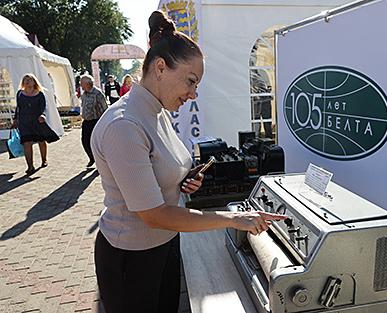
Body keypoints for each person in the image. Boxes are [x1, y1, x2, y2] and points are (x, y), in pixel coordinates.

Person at [91, 10, 286, 313]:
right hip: (131, 257)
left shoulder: (157, 111)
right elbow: (153, 214)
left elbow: (160, 168)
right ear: (160, 68)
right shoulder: (125, 126)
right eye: (191, 81)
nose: (193, 94)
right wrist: (233, 220)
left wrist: (184, 177)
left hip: (165, 244)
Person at [12, 73, 59, 176]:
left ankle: (44, 160)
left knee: (41, 141)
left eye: (30, 80)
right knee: (26, 143)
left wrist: (43, 115)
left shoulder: (40, 94)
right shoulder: (20, 93)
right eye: (25, 80)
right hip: (24, 122)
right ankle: (30, 166)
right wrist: (15, 119)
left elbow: (43, 108)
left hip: (37, 121)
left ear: (34, 82)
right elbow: (18, 108)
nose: (27, 81)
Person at [80, 74, 107, 167]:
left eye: (81, 83)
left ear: (87, 84)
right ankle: (92, 158)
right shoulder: (84, 94)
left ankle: (100, 161)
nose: (80, 85)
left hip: (96, 121)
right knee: (85, 141)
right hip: (86, 121)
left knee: (96, 143)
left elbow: (105, 108)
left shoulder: (98, 93)